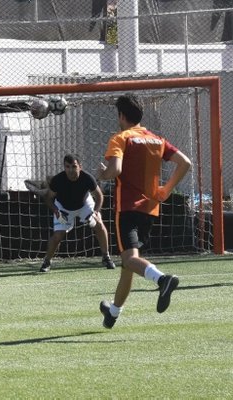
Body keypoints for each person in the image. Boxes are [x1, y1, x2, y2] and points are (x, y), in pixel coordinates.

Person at [96, 95, 192, 329]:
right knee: (129, 263)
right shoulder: (156, 139)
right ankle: (113, 312)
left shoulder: (120, 138)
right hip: (150, 209)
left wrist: (102, 174)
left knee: (129, 259)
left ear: (121, 116)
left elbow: (115, 169)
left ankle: (162, 280)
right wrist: (167, 190)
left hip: (128, 208)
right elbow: (185, 163)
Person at [39, 154, 115, 272]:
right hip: (63, 209)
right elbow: (48, 198)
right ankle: (47, 261)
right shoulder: (57, 180)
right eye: (67, 167)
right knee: (58, 235)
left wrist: (95, 212)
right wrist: (56, 211)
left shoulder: (87, 178)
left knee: (99, 225)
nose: (70, 170)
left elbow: (99, 196)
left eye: (74, 166)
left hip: (85, 204)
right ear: (64, 167)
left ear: (80, 166)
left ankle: (106, 257)